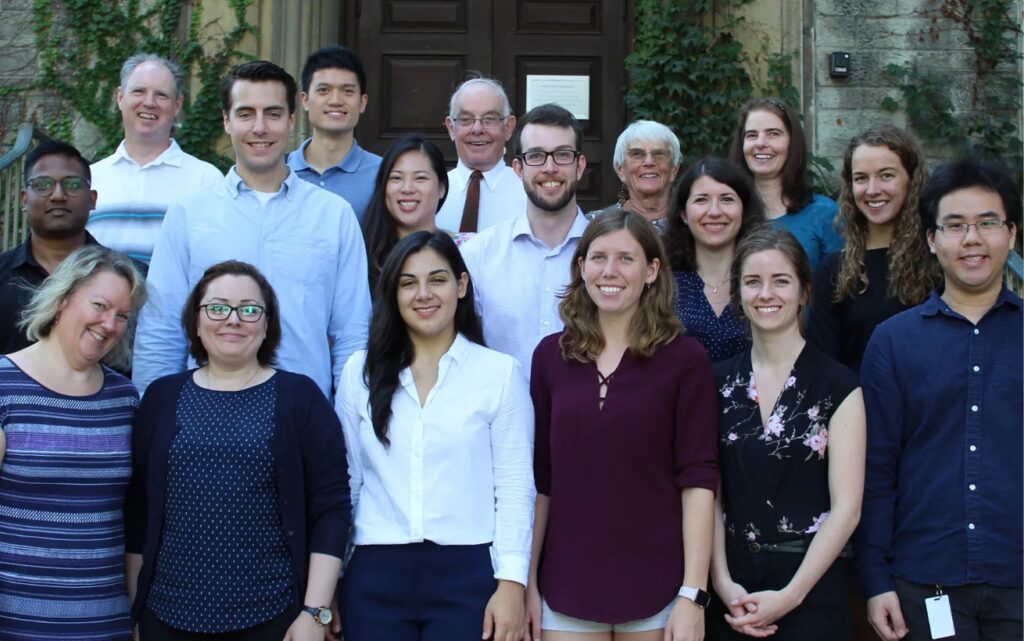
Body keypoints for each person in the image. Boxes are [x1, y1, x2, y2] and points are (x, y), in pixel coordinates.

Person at [126, 260, 350, 641]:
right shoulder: (162, 397)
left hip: (273, 618)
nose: (233, 319)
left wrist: (314, 612)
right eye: (217, 307)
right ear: (197, 322)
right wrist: (135, 611)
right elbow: (138, 513)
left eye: (249, 309)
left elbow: (331, 508)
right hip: (165, 618)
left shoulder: (301, 398)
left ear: (267, 325)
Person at [527, 209, 718, 640]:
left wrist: (693, 593)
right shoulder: (549, 358)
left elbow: (699, 481)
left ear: (652, 270)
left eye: (626, 259)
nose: (609, 271)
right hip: (566, 582)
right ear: (581, 267)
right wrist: (527, 582)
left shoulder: (686, 360)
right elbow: (541, 479)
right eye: (597, 257)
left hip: (659, 585)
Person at [336, 231, 534, 641]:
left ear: (461, 285)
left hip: (469, 573)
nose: (423, 294)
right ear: (392, 293)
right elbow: (347, 483)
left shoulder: (499, 373)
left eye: (437, 279)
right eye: (408, 282)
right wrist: (332, 578)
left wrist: (512, 583)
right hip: (374, 574)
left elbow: (515, 487)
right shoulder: (360, 372)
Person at [133, 60, 371, 399]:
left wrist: (349, 424)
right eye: (246, 114)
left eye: (273, 114)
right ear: (227, 121)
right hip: (205, 415)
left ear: (291, 121)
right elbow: (161, 329)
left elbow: (352, 334)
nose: (260, 128)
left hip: (302, 419)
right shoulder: (189, 214)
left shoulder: (334, 216)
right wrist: (154, 417)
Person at [856, 156, 1022, 641]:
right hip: (925, 578)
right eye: (955, 226)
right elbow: (877, 469)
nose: (972, 239)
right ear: (932, 240)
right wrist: (875, 578)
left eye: (987, 223)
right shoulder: (892, 341)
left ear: (1011, 235)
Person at [709, 225, 864, 640]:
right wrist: (723, 584)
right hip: (733, 594)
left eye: (781, 281)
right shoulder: (715, 382)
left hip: (811, 589)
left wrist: (791, 595)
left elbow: (847, 507)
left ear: (804, 291)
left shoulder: (839, 385)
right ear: (738, 292)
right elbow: (708, 493)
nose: (766, 294)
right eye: (753, 282)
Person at [0, 245, 146, 640]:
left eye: (122, 316)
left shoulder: (124, 399)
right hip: (15, 621)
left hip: (103, 622)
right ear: (62, 299)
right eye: (99, 305)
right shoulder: (4, 387)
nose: (110, 324)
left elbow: (135, 520)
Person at [459, 103, 589, 373]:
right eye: (537, 156)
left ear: (580, 166)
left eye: (563, 155)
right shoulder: (479, 254)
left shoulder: (609, 256)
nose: (550, 167)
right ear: (518, 168)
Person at [807, 125, 939, 372]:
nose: (872, 189)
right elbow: (822, 368)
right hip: (858, 408)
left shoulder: (939, 262)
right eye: (861, 178)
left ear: (912, 180)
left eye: (886, 175)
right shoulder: (834, 272)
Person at [0, 140, 144, 355]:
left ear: (92, 199)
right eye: (43, 185)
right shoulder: (2, 273)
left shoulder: (132, 280)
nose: (58, 195)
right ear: (24, 199)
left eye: (73, 184)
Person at [88, 53, 223, 263]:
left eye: (161, 95)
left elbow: (214, 262)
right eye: (139, 91)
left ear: (177, 105)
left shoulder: (206, 179)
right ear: (120, 97)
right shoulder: (90, 178)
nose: (149, 102)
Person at [663, 157, 764, 361]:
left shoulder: (765, 280)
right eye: (701, 200)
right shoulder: (662, 283)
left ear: (743, 209)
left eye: (727, 199)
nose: (715, 212)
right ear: (683, 213)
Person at [728, 97, 843, 271]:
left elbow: (841, 290)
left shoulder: (826, 214)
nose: (760, 143)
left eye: (773, 134)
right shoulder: (725, 214)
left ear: (792, 142)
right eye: (752, 135)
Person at [287, 45, 382, 220]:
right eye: (324, 90)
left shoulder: (383, 175)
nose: (336, 101)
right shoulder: (280, 171)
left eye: (347, 91)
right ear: (305, 100)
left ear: (362, 102)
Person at [435, 77, 527, 235]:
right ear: (451, 128)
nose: (477, 129)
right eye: (465, 119)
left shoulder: (530, 193)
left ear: (508, 127)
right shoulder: (430, 192)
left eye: (490, 119)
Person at [361, 134, 450, 290]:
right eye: (396, 178)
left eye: (420, 178)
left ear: (441, 188)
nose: (407, 189)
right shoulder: (361, 254)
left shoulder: (467, 250)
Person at [587, 120, 682, 232]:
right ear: (621, 170)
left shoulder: (691, 222)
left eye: (659, 154)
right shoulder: (596, 224)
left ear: (674, 170)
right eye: (636, 154)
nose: (649, 162)